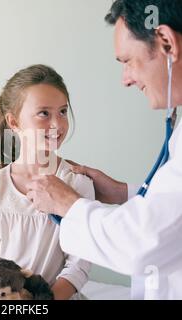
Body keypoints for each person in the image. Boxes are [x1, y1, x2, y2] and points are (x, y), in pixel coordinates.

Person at [26, 0, 182, 299]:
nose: (125, 79)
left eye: (127, 61)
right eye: (43, 113)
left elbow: (143, 242)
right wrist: (124, 193)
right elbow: (171, 211)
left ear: (166, 43)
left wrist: (69, 205)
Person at [0, 65, 95, 300]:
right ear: (14, 122)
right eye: (44, 113)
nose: (57, 124)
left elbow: (79, 264)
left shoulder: (77, 182)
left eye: (62, 111)